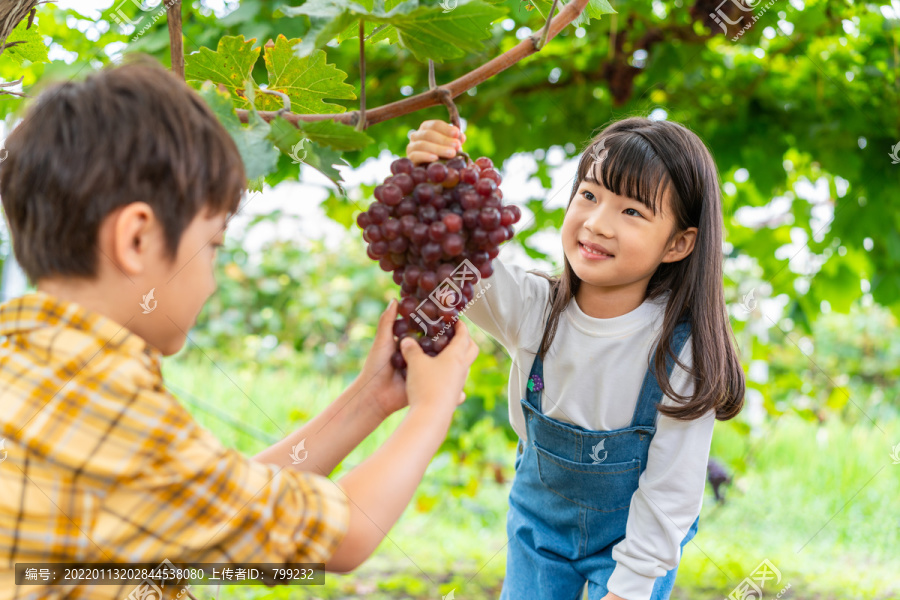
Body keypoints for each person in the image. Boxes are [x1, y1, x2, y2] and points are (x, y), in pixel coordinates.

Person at [0, 58, 478, 600]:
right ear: (137, 239)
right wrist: (431, 408)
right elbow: (342, 539)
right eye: (213, 245)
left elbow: (215, 497)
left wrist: (369, 401)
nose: (209, 282)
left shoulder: (38, 366)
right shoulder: (103, 397)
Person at [407, 118, 745, 600]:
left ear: (678, 243)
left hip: (636, 533)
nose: (597, 222)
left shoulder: (682, 352)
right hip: (539, 523)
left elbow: (670, 494)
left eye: (631, 210)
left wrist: (627, 589)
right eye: (589, 194)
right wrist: (430, 180)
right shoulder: (532, 306)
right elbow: (446, 277)